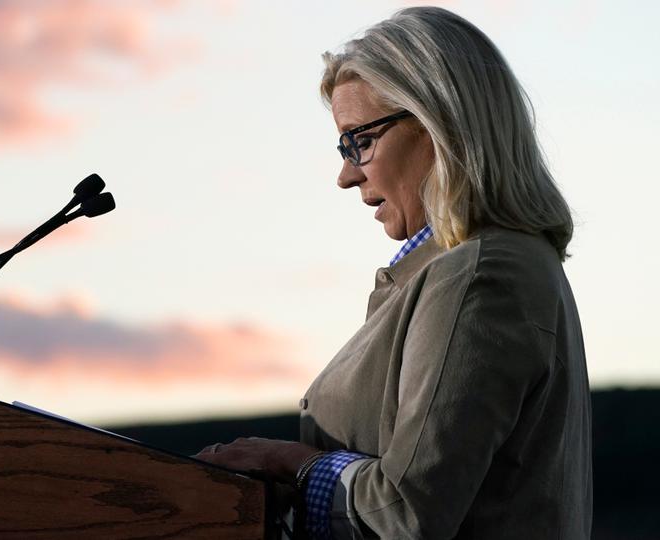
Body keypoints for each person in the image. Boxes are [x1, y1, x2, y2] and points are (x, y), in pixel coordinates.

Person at [195, 6, 592, 539]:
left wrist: (292, 463)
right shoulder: (481, 266)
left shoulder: (481, 275)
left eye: (359, 139)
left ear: (436, 121)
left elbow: (407, 513)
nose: (345, 174)